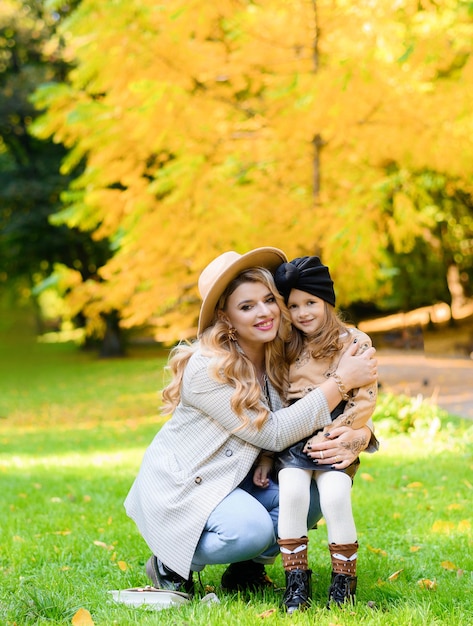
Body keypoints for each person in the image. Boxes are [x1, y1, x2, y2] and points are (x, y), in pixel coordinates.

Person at [124, 248, 378, 598]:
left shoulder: (281, 351)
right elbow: (273, 432)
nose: (264, 313)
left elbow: (307, 410)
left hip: (241, 477)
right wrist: (340, 383)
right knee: (250, 531)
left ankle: (246, 570)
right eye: (247, 306)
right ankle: (171, 561)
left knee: (314, 493)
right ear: (225, 317)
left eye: (268, 300)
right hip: (192, 485)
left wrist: (360, 433)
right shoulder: (206, 368)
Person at [258, 255, 377, 612]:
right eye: (293, 305)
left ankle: (344, 585)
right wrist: (269, 453)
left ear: (327, 301)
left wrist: (339, 433)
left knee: (336, 495)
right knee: (292, 492)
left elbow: (366, 398)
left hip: (337, 431)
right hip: (296, 428)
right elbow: (277, 400)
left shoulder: (353, 341)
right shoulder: (285, 345)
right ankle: (297, 584)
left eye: (311, 302)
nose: (303, 312)